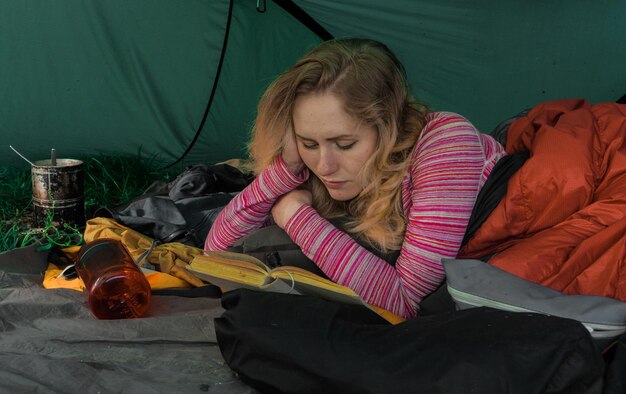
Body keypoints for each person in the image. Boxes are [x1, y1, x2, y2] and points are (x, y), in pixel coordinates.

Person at [205, 38, 506, 319]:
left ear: (387, 126)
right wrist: (285, 171)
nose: (325, 165)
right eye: (309, 143)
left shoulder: (447, 142)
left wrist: (294, 215)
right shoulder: (313, 165)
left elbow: (407, 301)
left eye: (345, 144)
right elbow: (216, 252)